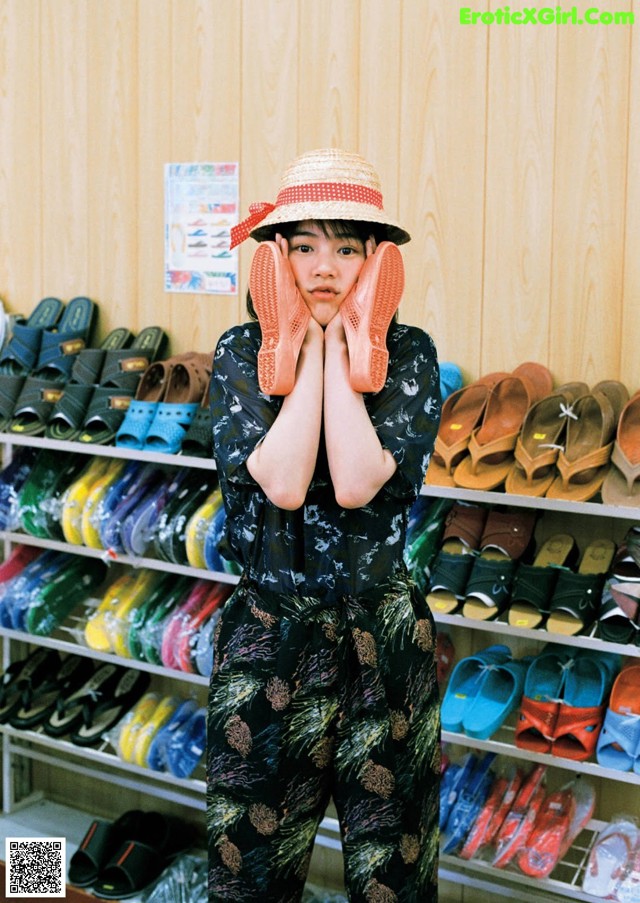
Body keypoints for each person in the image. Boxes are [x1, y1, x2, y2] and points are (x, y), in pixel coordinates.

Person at [207, 148, 442, 903]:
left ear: (376, 260)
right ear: (275, 257)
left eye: (347, 247)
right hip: (268, 636)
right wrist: (302, 348)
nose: (323, 267)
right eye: (302, 246)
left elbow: (353, 481)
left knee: (392, 879)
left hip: (383, 635)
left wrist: (348, 342)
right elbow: (278, 481)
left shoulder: (409, 354)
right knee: (251, 873)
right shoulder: (241, 352)